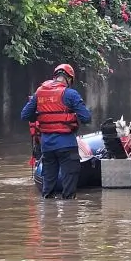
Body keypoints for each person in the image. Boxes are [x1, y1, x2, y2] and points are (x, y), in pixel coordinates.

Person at [21, 64, 92, 199]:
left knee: (47, 189)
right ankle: (68, 217)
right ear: (69, 79)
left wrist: (42, 115)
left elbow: (25, 115)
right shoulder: (71, 94)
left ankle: (48, 216)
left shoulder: (39, 93)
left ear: (55, 77)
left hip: (47, 146)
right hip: (67, 145)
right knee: (69, 190)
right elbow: (86, 118)